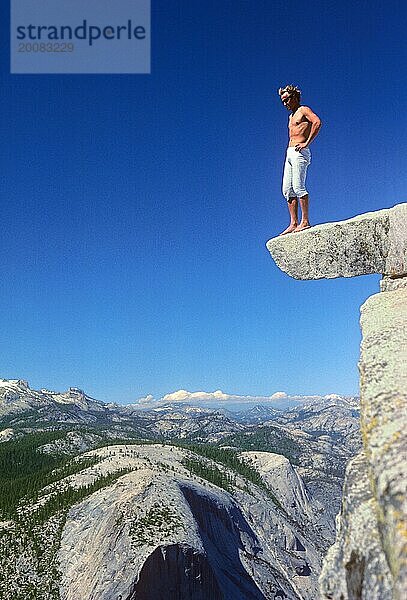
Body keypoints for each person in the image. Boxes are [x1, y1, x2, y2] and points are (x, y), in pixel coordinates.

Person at [278, 85, 322, 234]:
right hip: (290, 152)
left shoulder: (304, 110)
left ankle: (305, 221)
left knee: (298, 187)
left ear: (294, 97)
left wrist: (306, 143)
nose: (285, 104)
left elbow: (317, 122)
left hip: (300, 152)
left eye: (287, 100)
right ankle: (293, 222)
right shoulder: (290, 116)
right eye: (282, 101)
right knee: (287, 190)